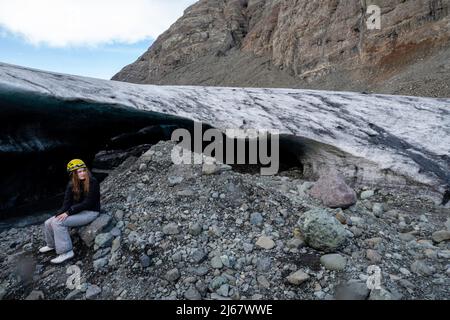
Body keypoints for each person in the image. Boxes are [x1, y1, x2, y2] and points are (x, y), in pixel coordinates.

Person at [39, 159, 101, 264]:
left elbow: (88, 203)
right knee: (49, 222)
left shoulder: (93, 182)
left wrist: (68, 212)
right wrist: (58, 214)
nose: (82, 173)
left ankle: (66, 252)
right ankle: (52, 245)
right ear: (74, 174)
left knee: (58, 222)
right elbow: (66, 204)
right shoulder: (71, 185)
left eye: (83, 170)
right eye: (79, 172)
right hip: (78, 211)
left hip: (90, 212)